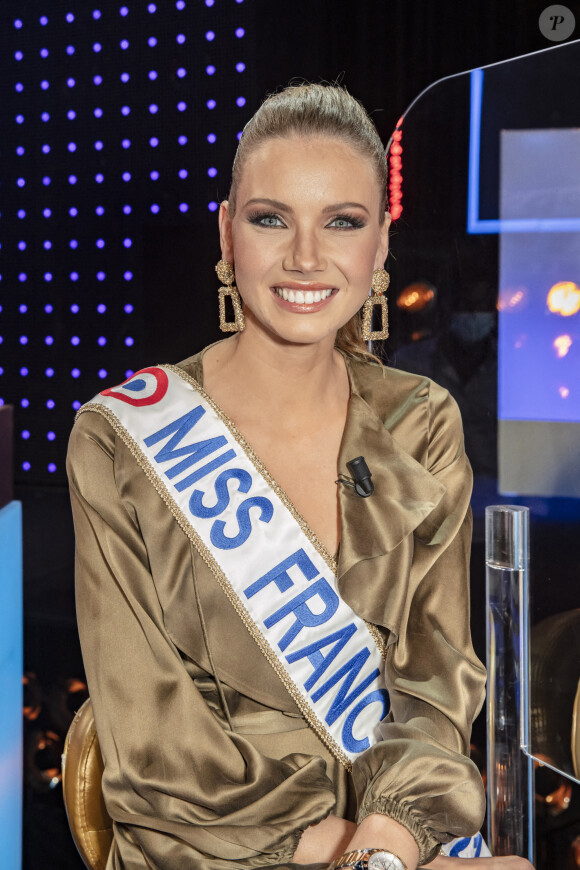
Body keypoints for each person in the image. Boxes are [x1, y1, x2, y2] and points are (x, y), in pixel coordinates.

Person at [67, 84, 533, 870]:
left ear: (380, 245)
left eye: (342, 222)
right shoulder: (119, 441)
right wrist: (353, 857)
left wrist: (385, 841)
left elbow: (436, 684)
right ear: (227, 232)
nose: (306, 258)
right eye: (271, 219)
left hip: (397, 842)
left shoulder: (421, 423)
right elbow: (156, 760)